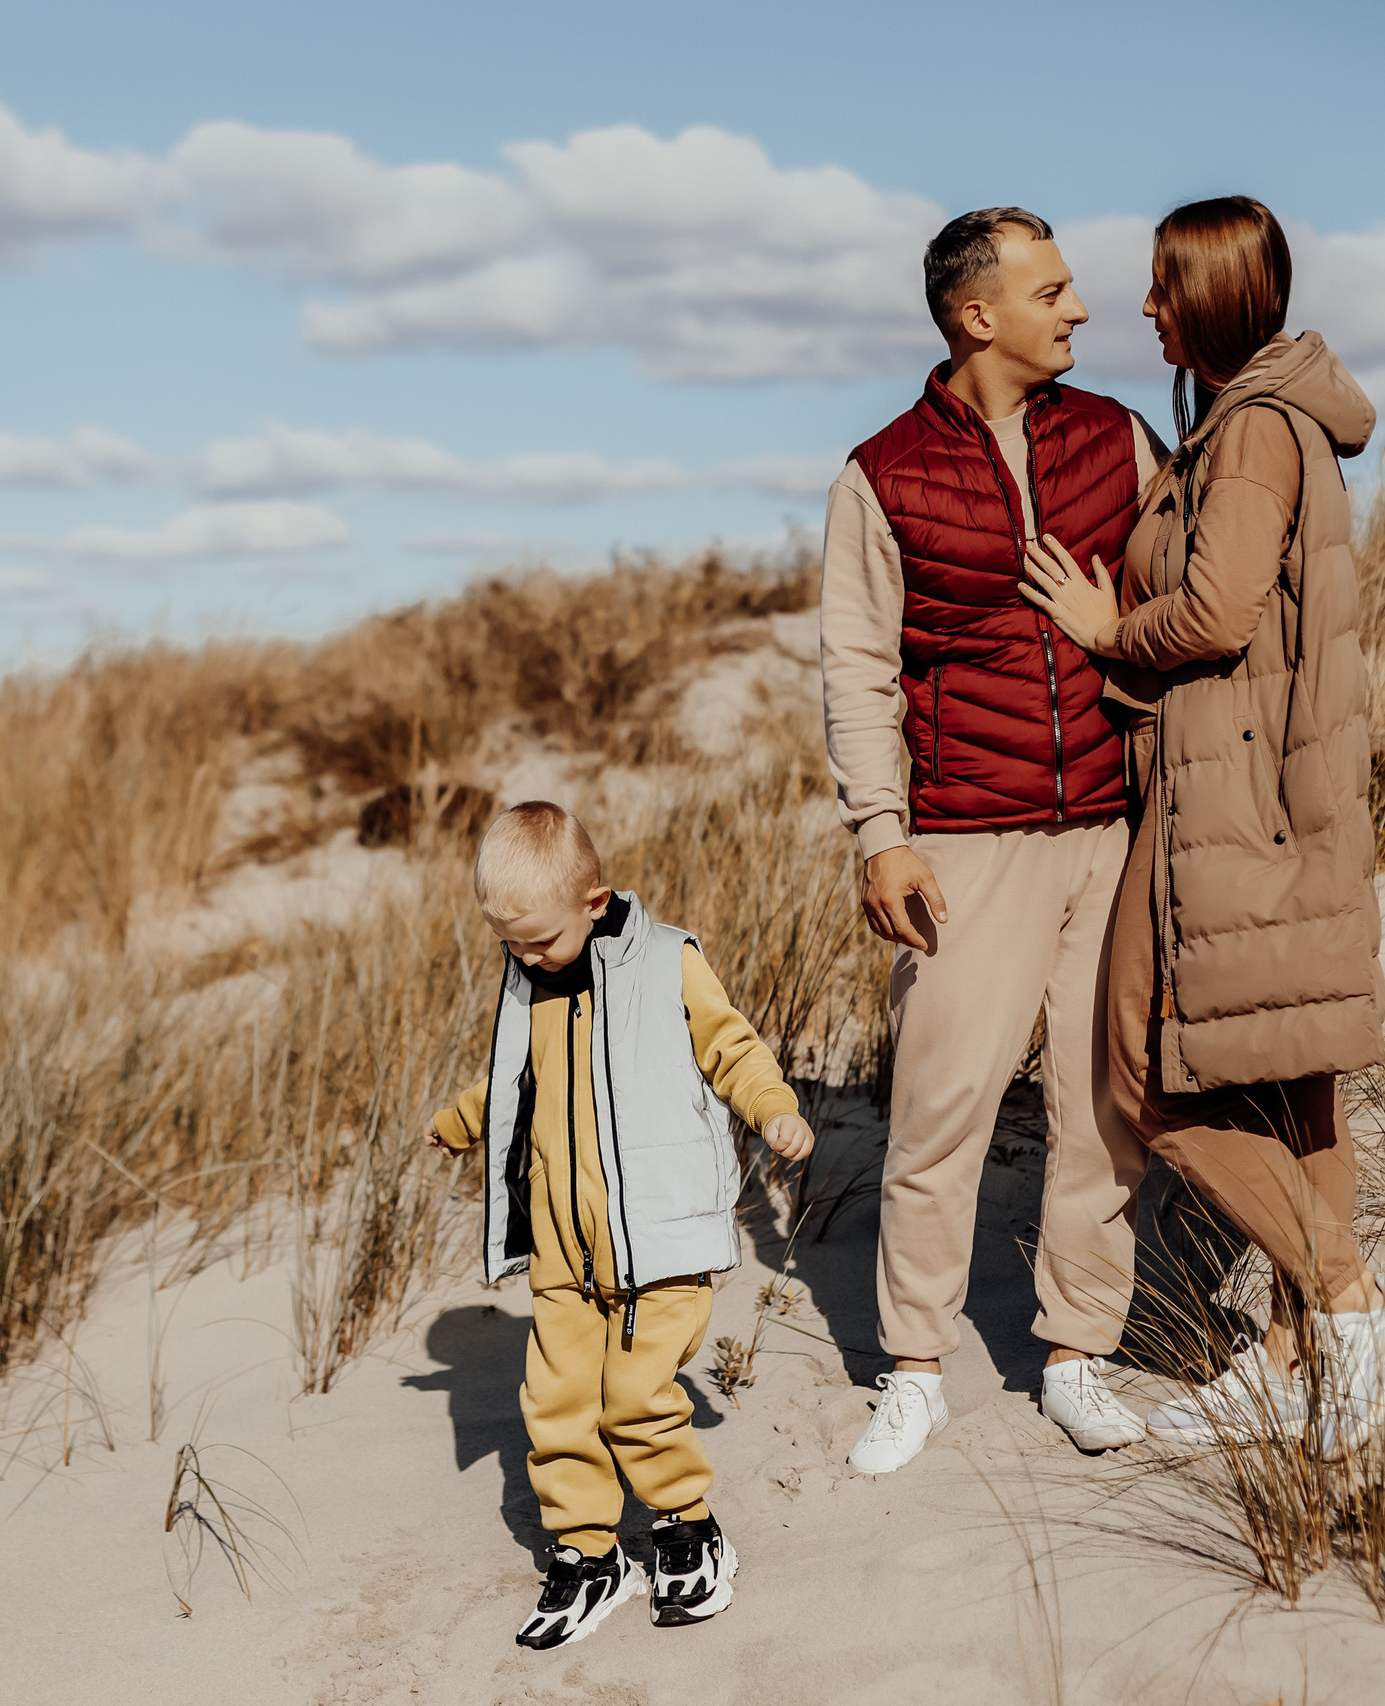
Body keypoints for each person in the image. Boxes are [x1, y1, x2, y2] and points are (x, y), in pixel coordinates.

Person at [1018, 195, 1385, 1456]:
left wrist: (1105, 635)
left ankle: (1355, 1303)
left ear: (1203, 299)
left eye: (1159, 288)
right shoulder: (1244, 420)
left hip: (1232, 799)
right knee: (1288, 1087)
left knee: (1147, 1080)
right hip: (1260, 798)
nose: (1140, 307)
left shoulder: (1253, 428)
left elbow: (1212, 611)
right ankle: (1292, 1358)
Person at [820, 206, 1166, 1472]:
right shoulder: (882, 471)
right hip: (967, 837)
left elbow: (1186, 596)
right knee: (940, 1108)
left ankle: (1078, 1349)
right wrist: (881, 834)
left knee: (1100, 1101)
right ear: (978, 314)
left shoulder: (1122, 437)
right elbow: (857, 668)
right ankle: (912, 1365)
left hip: (1113, 831)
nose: (1080, 309)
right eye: (1054, 290)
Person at [425, 802, 816, 1648]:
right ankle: (588, 1551)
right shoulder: (530, 983)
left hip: (656, 1239)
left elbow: (733, 1048)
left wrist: (774, 1107)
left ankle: (685, 1528)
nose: (524, 958)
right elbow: (511, 1083)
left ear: (595, 902)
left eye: (538, 942)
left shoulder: (666, 962)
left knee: (637, 1396)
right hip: (562, 1246)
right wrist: (463, 1121)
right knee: (558, 1401)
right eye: (509, 944)